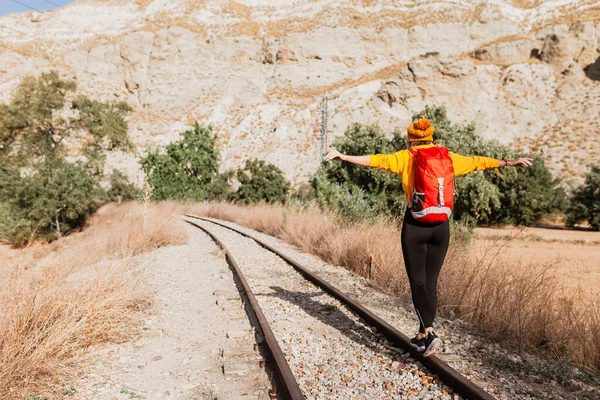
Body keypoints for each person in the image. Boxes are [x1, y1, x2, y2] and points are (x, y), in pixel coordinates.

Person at [325, 118, 532, 356]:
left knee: (417, 281)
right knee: (430, 282)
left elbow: (376, 160)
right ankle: (423, 335)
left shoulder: (407, 157)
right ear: (431, 136)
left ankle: (431, 332)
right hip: (441, 226)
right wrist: (509, 162)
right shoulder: (448, 157)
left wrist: (345, 157)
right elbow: (478, 162)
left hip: (416, 225)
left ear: (411, 138)